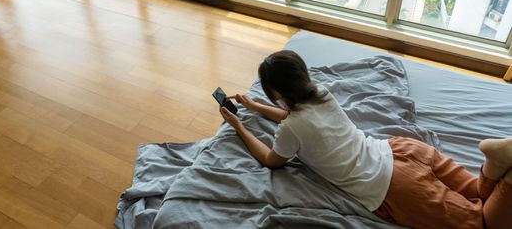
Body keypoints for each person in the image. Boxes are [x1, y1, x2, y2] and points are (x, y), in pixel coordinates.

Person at [218, 50, 512, 229]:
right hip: (401, 150)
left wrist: (239, 126)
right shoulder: (321, 93)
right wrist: (254, 107)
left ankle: (508, 181)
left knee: (479, 224)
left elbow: (272, 160)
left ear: (278, 94)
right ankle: (495, 163)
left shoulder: (292, 129)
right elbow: (296, 121)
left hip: (394, 185)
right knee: (475, 190)